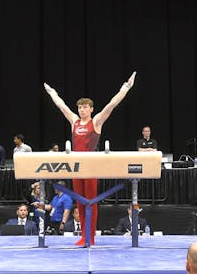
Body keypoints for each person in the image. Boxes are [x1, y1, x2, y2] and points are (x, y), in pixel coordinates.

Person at [44, 71, 136, 245]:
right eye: (80, 107)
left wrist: (126, 87)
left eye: (85, 107)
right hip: (76, 167)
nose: (82, 110)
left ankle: (90, 237)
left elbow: (112, 104)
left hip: (91, 165)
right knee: (79, 201)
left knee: (90, 202)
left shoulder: (97, 122)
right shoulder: (74, 121)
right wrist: (51, 93)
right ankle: (84, 236)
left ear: (91, 109)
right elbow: (61, 106)